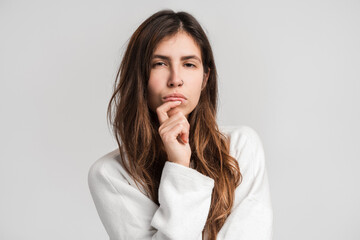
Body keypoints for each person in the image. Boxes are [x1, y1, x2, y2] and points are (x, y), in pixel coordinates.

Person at [88, 9, 273, 240]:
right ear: (140, 77)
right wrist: (179, 166)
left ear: (205, 78)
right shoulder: (111, 175)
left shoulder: (240, 147)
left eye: (189, 64)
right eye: (160, 64)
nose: (176, 79)